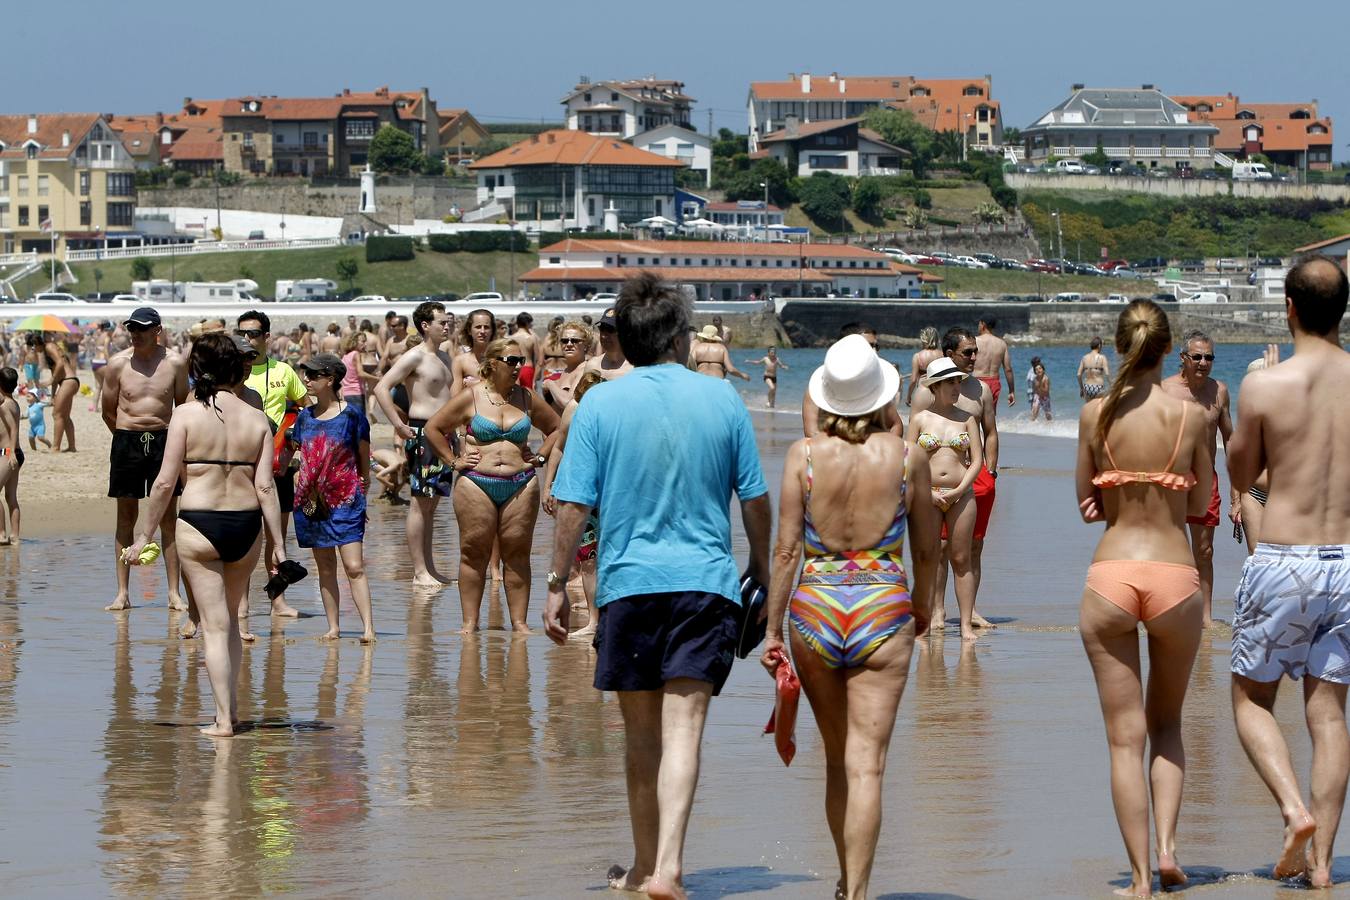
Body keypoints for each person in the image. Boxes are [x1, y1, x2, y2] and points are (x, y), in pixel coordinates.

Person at [543, 272, 772, 899]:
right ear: (676, 337)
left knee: (640, 736)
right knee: (685, 731)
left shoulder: (598, 404)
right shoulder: (722, 399)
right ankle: (668, 867)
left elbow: (571, 505)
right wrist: (760, 567)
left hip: (627, 585)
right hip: (705, 583)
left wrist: (558, 583)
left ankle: (646, 867)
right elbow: (754, 497)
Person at [761, 334, 936, 900]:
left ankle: (844, 881)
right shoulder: (908, 456)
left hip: (815, 606)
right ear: (880, 396)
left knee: (837, 758)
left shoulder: (804, 456)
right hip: (884, 605)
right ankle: (856, 891)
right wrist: (926, 605)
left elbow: (786, 551)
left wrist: (771, 629)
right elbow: (929, 548)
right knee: (868, 765)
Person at [1075, 299, 1212, 898]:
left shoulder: (1093, 415)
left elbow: (1086, 504)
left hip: (1111, 574)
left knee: (1123, 738)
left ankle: (1136, 880)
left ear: (1118, 343)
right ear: (1168, 349)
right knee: (1167, 724)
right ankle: (1167, 850)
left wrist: (1113, 496)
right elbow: (1199, 502)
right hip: (1175, 576)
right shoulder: (1190, 418)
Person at [1228, 256, 1350, 889]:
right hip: (1348, 562)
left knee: (1251, 697)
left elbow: (1243, 477)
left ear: (1290, 309)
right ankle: (1325, 865)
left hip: (1286, 559)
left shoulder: (1265, 386)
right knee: (1329, 716)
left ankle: (1293, 810)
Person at [123, 333, 284, 738]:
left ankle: (224, 721)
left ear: (198, 369)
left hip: (199, 523)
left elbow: (163, 485)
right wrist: (279, 544)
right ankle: (230, 710)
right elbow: (266, 487)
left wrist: (143, 537)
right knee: (230, 622)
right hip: (247, 526)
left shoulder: (186, 415)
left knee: (212, 627)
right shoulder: (257, 418)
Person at [426, 337, 560, 632]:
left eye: (520, 361)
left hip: (521, 483)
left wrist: (538, 458)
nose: (517, 367)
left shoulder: (526, 397)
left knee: (517, 553)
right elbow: (433, 428)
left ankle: (519, 623)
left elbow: (556, 428)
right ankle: (470, 622)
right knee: (473, 552)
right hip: (476, 482)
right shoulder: (471, 396)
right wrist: (452, 461)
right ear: (492, 363)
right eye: (511, 361)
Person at [101, 308, 190, 613]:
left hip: (165, 439)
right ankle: (123, 592)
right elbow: (107, 410)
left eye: (142, 329)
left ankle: (173, 593)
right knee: (125, 517)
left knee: (167, 518)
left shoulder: (175, 363)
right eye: (132, 329)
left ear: (157, 330)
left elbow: (183, 406)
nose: (135, 334)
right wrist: (127, 436)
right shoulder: (117, 364)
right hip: (127, 441)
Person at [911, 327, 999, 630]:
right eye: (968, 352)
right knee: (934, 553)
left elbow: (988, 439)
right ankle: (934, 612)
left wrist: (989, 473)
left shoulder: (976, 401)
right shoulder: (922, 406)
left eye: (976, 351)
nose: (975, 357)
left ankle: (967, 616)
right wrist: (924, 491)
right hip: (930, 491)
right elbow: (910, 453)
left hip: (968, 486)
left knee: (969, 551)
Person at [292, 353, 375, 643]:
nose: (307, 380)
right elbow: (299, 453)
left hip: (346, 499)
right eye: (306, 375)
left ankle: (367, 628)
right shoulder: (305, 417)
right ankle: (333, 627)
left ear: (330, 379)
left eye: (313, 375)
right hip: (312, 501)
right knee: (325, 566)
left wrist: (363, 485)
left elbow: (364, 455)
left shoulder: (352, 415)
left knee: (354, 566)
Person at [372, 301, 455, 587]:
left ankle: (430, 568)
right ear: (425, 325)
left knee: (433, 504)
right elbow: (381, 387)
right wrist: (397, 423)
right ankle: (419, 570)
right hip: (422, 431)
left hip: (445, 434)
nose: (447, 326)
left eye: (448, 321)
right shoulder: (414, 357)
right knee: (420, 504)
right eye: (441, 322)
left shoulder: (445, 358)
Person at [236, 309, 309, 618]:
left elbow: (305, 407)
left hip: (277, 462)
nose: (246, 339)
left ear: (266, 337)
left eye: (252, 333)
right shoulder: (232, 371)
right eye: (241, 333)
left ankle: (277, 601)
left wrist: (291, 441)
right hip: (240, 462)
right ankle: (241, 604)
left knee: (276, 535)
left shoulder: (283, 371)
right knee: (243, 536)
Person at [1161, 328, 1236, 626]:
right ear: (1183, 358)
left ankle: (1204, 617)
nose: (1203, 362)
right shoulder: (1165, 390)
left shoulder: (1219, 391)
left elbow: (1230, 439)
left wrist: (1238, 492)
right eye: (1197, 357)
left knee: (1204, 550)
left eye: (1209, 357)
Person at [907, 358, 984, 639]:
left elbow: (976, 461)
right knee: (927, 557)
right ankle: (925, 622)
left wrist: (959, 489)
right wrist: (926, 492)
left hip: (961, 494)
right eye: (950, 382)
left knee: (961, 558)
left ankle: (965, 624)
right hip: (927, 495)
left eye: (958, 382)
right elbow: (909, 460)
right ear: (936, 386)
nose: (956, 387)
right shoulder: (919, 419)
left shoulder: (968, 419)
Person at [541, 370, 608, 637]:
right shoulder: (573, 410)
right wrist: (549, 486)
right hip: (580, 494)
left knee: (606, 558)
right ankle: (594, 621)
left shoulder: (611, 414)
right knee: (589, 561)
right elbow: (558, 447)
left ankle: (606, 618)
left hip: (610, 494)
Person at [803, 324, 902, 438]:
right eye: (868, 346)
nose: (874, 351)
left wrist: (890, 450)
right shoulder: (820, 389)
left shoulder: (876, 385)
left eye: (876, 346)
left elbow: (896, 424)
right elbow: (811, 434)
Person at [1235, 347, 1279, 554]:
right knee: (1257, 558)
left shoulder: (1290, 411)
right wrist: (1235, 501)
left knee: (1284, 558)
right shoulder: (1247, 417)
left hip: (1284, 496)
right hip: (1252, 494)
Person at [538, 320, 590, 413]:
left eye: (575, 340)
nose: (569, 344)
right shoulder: (567, 370)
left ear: (585, 345)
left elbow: (569, 403)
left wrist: (550, 384)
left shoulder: (584, 369)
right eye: (564, 341)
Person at [40, 333, 79, 452]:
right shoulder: (50, 348)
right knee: (65, 416)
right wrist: (52, 395)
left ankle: (56, 447)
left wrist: (51, 380)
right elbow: (56, 374)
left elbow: (60, 364)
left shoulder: (49, 346)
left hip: (68, 381)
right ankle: (72, 447)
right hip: (69, 381)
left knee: (57, 415)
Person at [451, 309, 496, 395]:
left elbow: (512, 389)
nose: (482, 331)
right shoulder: (460, 361)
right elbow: (455, 397)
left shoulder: (502, 359)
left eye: (486, 327)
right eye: (478, 327)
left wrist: (477, 384)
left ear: (492, 331)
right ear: (469, 330)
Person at [973, 317, 1015, 408]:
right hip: (994, 382)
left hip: (977, 381)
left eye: (979, 324)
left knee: (975, 413)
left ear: (983, 324)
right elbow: (1008, 369)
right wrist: (1011, 391)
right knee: (990, 415)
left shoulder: (974, 341)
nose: (978, 326)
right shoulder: (1001, 344)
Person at [581, 308, 633, 380]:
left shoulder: (634, 368)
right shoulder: (592, 365)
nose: (603, 335)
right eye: (602, 328)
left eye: (610, 329)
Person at [0, 368, 21, 545]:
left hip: (8, 453)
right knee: (11, 497)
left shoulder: (5, 405)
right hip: (14, 453)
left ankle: (1, 534)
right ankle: (15, 537)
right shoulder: (13, 402)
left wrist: (12, 452)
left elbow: (13, 428)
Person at [338, 331, 379, 415]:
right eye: (363, 341)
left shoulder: (345, 356)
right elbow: (360, 373)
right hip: (356, 393)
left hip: (346, 394)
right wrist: (377, 378)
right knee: (359, 423)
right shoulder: (356, 354)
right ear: (355, 342)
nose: (365, 344)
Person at [905, 326, 942, 407]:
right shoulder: (943, 355)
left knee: (916, 418)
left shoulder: (918, 356)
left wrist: (908, 397)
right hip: (939, 393)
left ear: (924, 339)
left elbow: (913, 380)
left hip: (923, 391)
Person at [511, 313, 542, 389]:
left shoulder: (511, 338)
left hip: (514, 368)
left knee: (514, 396)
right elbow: (539, 360)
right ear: (527, 323)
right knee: (529, 396)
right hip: (527, 368)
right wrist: (535, 379)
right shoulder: (531, 338)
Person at [25, 387, 50, 452]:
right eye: (27, 397)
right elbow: (26, 415)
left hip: (40, 425)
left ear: (36, 398)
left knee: (40, 438)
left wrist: (51, 402)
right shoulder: (28, 407)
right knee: (31, 438)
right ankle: (34, 450)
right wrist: (20, 417)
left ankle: (50, 445)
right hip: (33, 427)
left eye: (29, 396)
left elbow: (48, 404)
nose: (27, 398)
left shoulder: (39, 405)